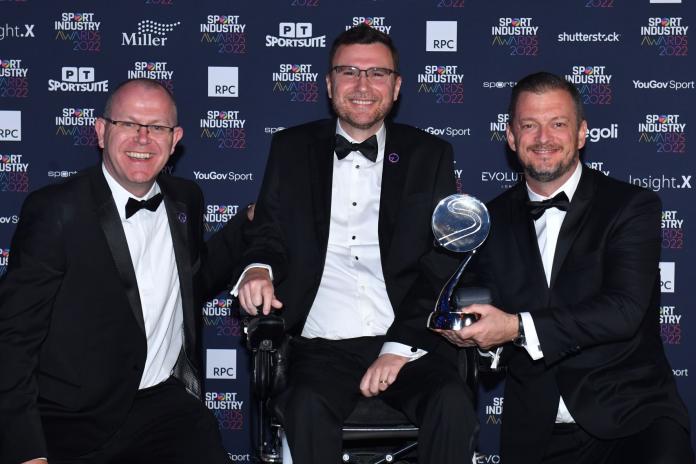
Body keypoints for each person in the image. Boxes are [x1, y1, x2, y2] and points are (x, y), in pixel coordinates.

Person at [235, 24, 478, 464]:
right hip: (320, 346)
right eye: (349, 71)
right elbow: (268, 230)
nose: (363, 85)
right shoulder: (291, 148)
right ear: (329, 84)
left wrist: (396, 350)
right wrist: (258, 269)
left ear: (397, 86)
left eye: (378, 74)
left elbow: (443, 260)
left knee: (452, 402)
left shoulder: (431, 155)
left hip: (408, 342)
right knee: (304, 407)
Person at [439, 71, 694, 464]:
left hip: (632, 421)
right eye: (529, 125)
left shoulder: (630, 206)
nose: (544, 138)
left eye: (558, 124)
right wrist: (470, 333)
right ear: (510, 137)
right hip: (534, 431)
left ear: (581, 134)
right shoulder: (487, 220)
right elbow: (476, 307)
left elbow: (622, 311)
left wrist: (517, 327)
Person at [0, 79, 248, 464]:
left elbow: (193, 281)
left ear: (175, 138)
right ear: (101, 131)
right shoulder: (55, 211)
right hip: (73, 421)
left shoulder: (187, 199)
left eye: (158, 127)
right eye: (128, 124)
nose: (143, 138)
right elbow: (12, 341)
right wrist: (27, 451)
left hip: (163, 407)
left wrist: (248, 224)